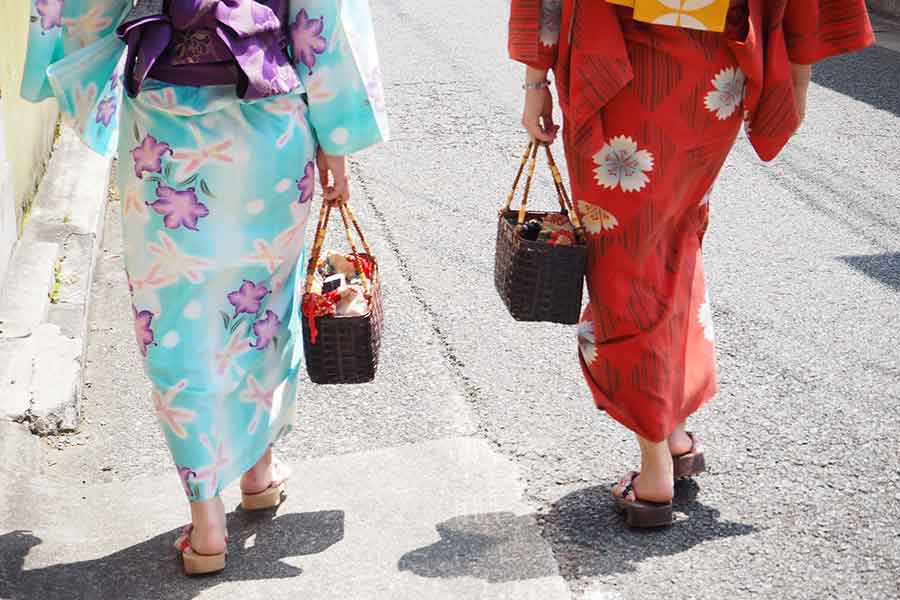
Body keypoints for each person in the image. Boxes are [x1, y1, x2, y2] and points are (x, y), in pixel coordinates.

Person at [22, 0, 388, 572]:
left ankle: (206, 521)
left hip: (165, 131)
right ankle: (259, 472)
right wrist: (334, 138)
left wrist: (66, 68)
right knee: (262, 308)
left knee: (174, 323)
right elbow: (323, 19)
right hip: (268, 130)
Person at [509, 0, 873, 527]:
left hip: (620, 60)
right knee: (674, 233)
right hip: (713, 66)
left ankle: (654, 468)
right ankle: (673, 430)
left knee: (624, 257)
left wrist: (535, 78)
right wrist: (796, 72)